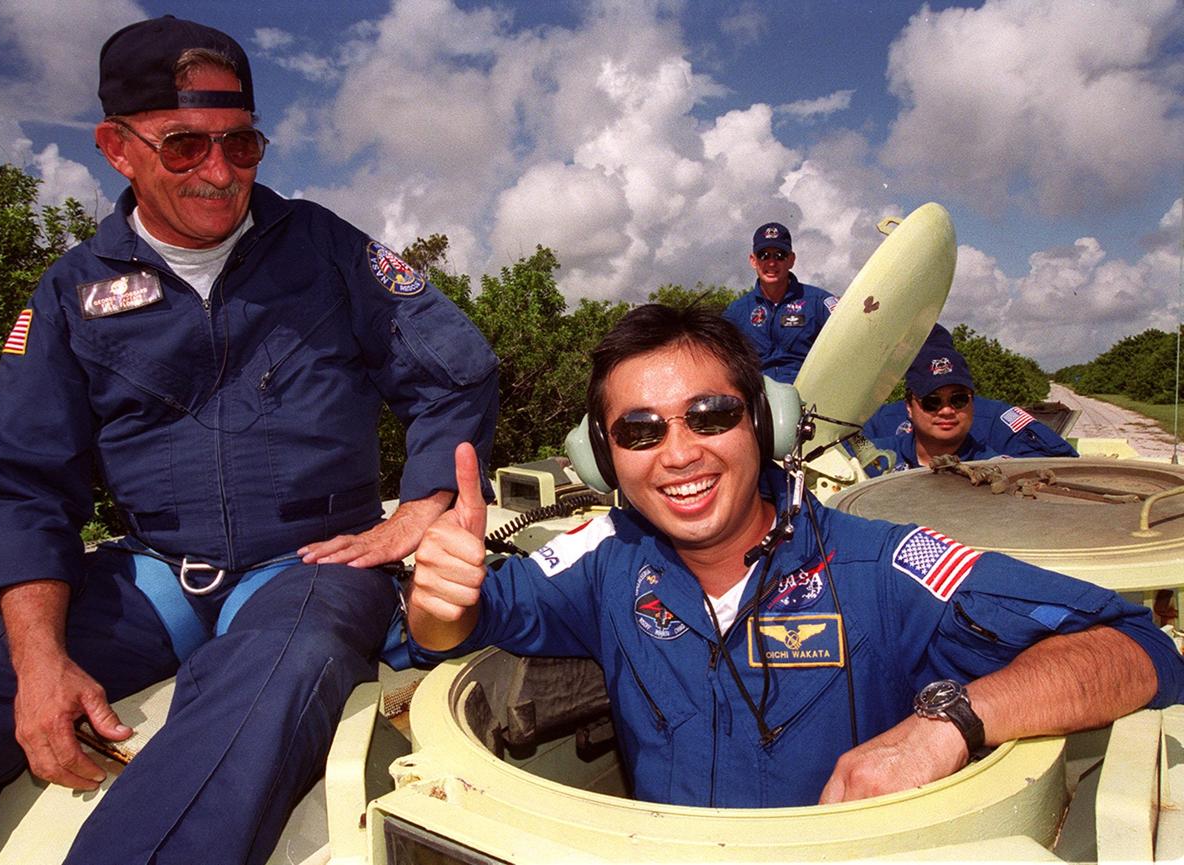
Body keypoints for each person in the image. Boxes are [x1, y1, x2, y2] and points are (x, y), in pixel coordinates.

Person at [0, 16, 497, 865]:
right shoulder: (73, 291)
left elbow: (457, 367)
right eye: (183, 146)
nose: (220, 174)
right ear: (117, 146)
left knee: (254, 709)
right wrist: (39, 666)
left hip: (313, 567)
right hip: (148, 571)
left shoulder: (324, 249)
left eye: (242, 144)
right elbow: (24, 482)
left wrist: (426, 505)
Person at [406, 304, 1180, 809]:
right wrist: (439, 604)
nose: (679, 454)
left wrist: (950, 722)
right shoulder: (608, 559)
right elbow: (456, 625)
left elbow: (1136, 648)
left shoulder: (883, 567)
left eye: (709, 416)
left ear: (763, 427)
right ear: (608, 460)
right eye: (640, 430)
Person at [862, 326, 1077, 463]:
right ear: (910, 405)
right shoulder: (883, 446)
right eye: (931, 402)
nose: (946, 410)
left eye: (959, 399)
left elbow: (1060, 463)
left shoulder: (992, 447)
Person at [722, 221, 836, 384]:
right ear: (753, 260)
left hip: (810, 394)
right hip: (759, 397)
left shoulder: (818, 303)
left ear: (791, 260)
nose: (772, 263)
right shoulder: (737, 312)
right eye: (764, 256)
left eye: (779, 255)